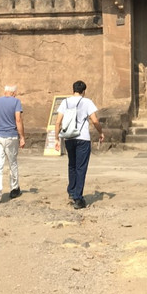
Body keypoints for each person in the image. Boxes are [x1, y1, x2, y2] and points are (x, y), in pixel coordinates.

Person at [53, 80, 104, 209]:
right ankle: (78, 198)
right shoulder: (87, 102)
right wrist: (100, 132)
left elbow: (58, 122)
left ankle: (71, 190)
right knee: (81, 167)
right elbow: (94, 120)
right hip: (83, 137)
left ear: (73, 90)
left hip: (69, 137)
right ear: (84, 91)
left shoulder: (65, 102)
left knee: (72, 165)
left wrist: (57, 139)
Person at [0, 83, 26, 205]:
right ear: (13, 93)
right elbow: (18, 119)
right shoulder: (16, 102)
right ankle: (14, 188)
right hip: (11, 136)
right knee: (12, 162)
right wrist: (22, 137)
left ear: (5, 92)